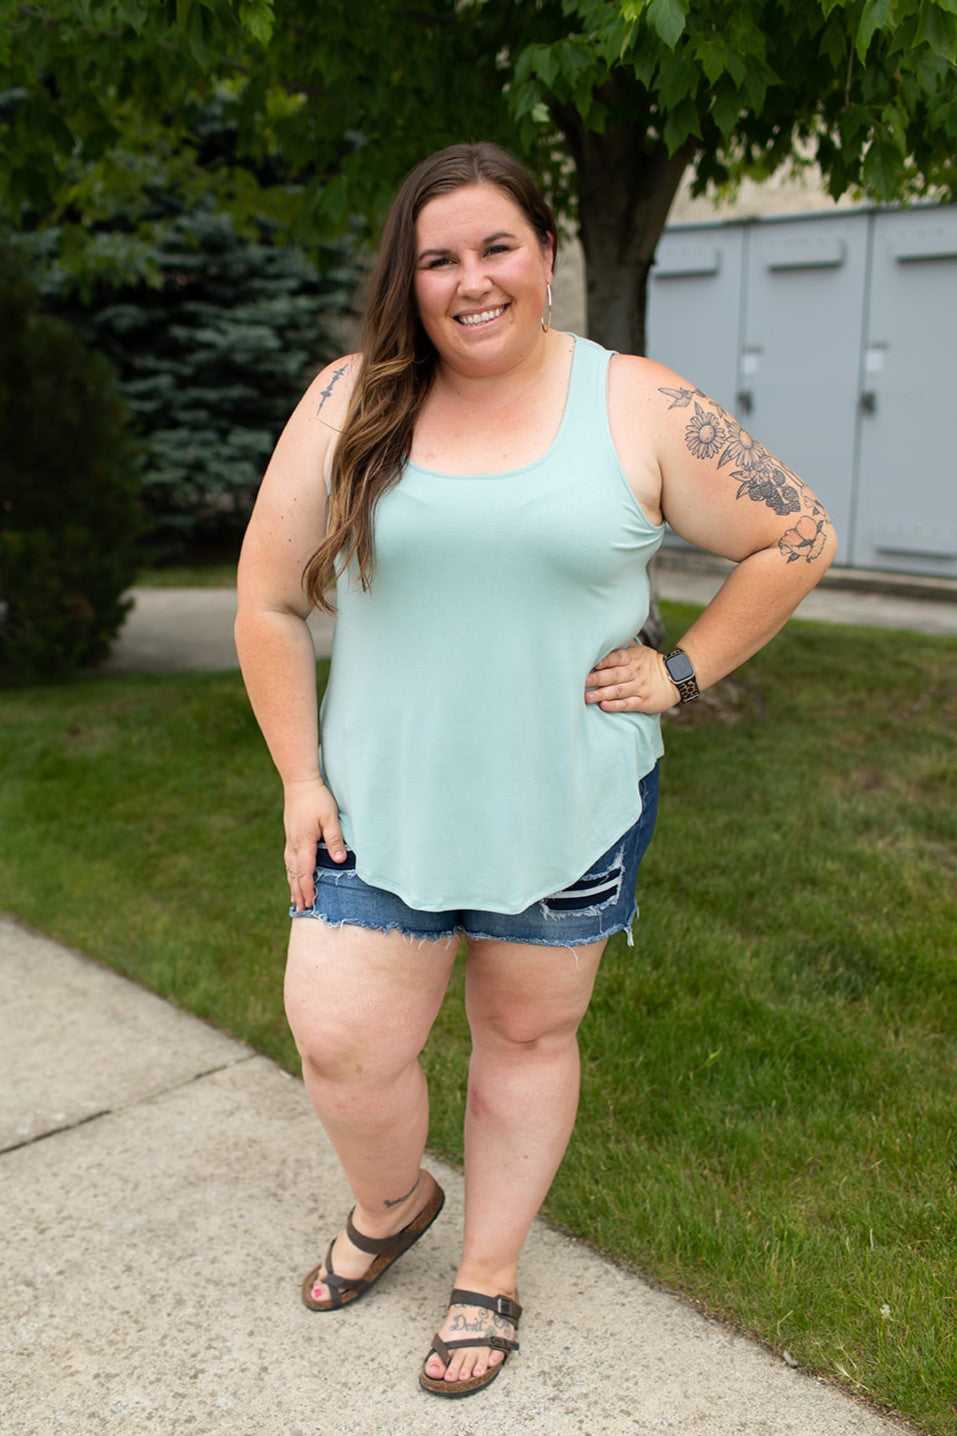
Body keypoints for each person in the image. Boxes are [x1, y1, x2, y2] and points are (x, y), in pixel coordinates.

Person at [234, 141, 836, 1399]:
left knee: (525, 1032)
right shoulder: (350, 399)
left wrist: (682, 671)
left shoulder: (638, 403)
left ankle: (489, 1268)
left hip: (568, 801)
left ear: (547, 256)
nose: (472, 280)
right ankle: (393, 1202)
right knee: (341, 1042)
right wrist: (299, 775)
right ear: (408, 277)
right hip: (373, 803)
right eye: (438, 258)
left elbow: (798, 531)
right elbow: (268, 602)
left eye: (497, 247)